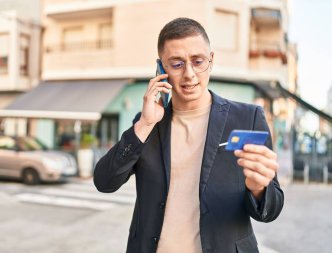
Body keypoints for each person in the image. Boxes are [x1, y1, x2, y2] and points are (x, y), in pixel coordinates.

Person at [94, 17, 284, 253]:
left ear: (211, 60)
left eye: (198, 61)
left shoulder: (248, 118)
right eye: (177, 64)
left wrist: (259, 189)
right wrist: (144, 124)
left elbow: (271, 209)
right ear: (161, 68)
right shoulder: (148, 123)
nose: (190, 74)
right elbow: (104, 182)